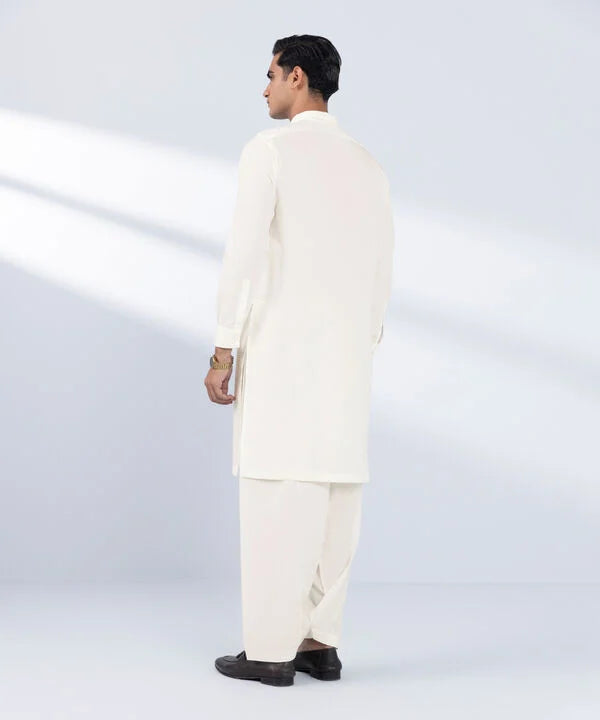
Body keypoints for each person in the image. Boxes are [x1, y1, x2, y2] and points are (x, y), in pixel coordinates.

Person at [205, 34, 395, 687]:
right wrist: (363, 344)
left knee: (274, 494)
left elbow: (244, 255)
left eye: (270, 75)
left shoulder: (271, 151)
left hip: (285, 353)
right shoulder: (368, 164)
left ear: (296, 76)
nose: (264, 88)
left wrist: (223, 348)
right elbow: (382, 269)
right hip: (348, 361)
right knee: (337, 495)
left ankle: (269, 651)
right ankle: (320, 643)